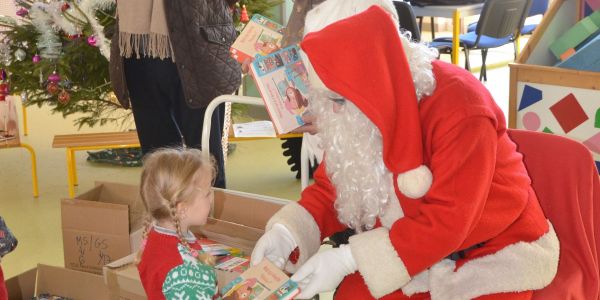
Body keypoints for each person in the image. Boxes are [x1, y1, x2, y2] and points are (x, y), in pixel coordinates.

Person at [251, 0, 560, 299]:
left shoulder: (462, 107)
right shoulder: (354, 109)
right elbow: (337, 185)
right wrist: (288, 232)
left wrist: (349, 259)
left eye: (340, 99)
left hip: (493, 255)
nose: (332, 112)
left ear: (372, 80)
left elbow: (448, 221)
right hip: (412, 253)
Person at [110, 0, 242, 188]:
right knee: (158, 159)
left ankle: (209, 215)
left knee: (205, 159)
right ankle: (164, 215)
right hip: (137, 49)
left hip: (197, 46)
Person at [136, 148, 218, 299]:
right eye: (207, 193)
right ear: (182, 209)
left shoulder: (155, 232)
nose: (212, 198)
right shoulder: (186, 273)